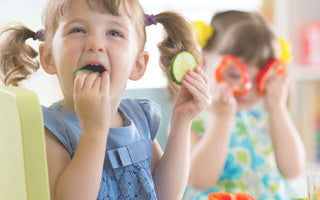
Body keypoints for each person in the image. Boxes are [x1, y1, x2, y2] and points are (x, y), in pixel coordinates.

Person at [0, 0, 211, 199]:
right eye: (78, 30)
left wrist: (182, 122)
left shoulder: (139, 118)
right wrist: (93, 132)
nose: (95, 44)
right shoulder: (50, 129)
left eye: (114, 32)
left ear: (138, 65)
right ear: (49, 57)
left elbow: (164, 194)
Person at [184, 10, 306, 200]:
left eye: (259, 79)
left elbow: (293, 171)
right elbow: (198, 180)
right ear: (204, 61)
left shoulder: (268, 119)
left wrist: (278, 109)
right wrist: (222, 119)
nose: (246, 88)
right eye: (234, 74)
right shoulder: (191, 119)